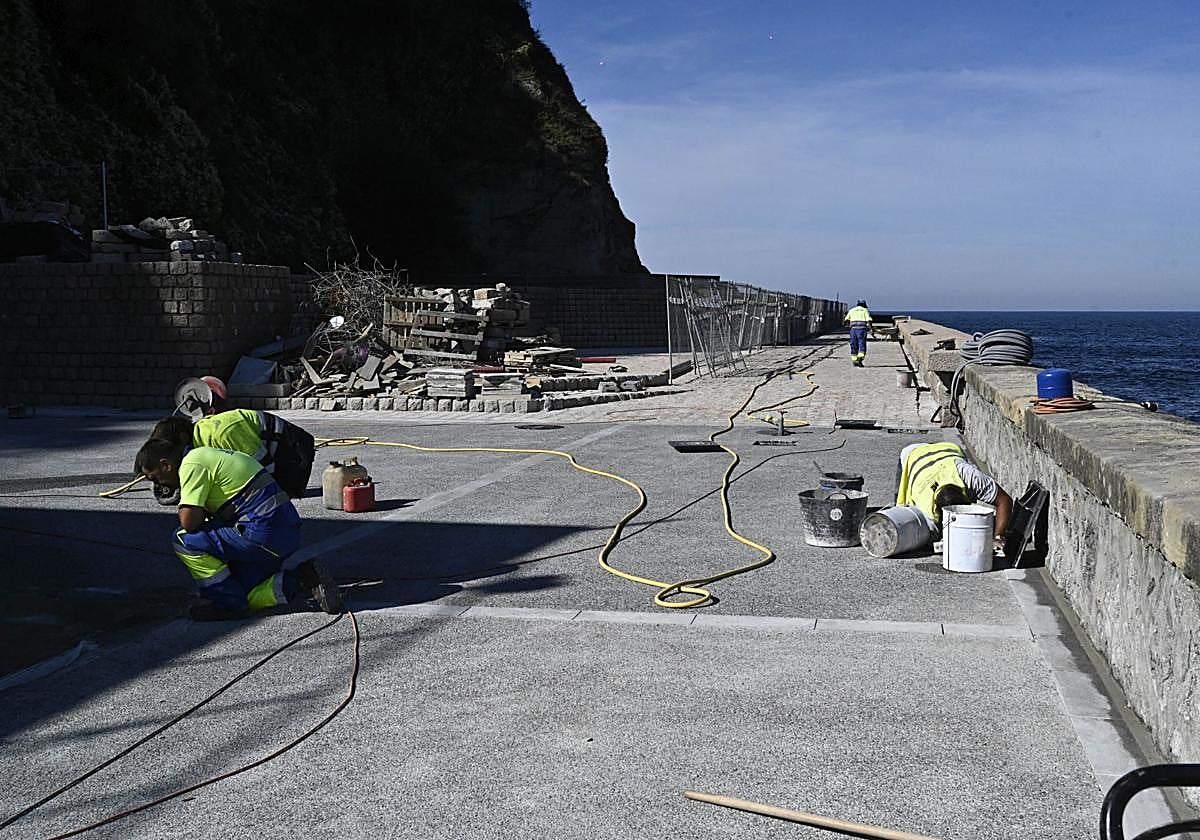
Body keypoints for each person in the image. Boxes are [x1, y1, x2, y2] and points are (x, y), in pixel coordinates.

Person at [134, 438, 341, 621]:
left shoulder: (192, 464)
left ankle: (228, 605)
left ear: (166, 465)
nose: (159, 485)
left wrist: (186, 499)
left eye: (155, 478)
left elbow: (189, 522)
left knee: (182, 539)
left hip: (260, 535)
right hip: (283, 535)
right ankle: (302, 579)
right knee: (245, 592)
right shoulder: (210, 455)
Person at [151, 407, 316, 499]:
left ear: (182, 437)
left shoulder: (222, 433)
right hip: (278, 451)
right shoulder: (202, 439)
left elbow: (263, 468)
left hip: (293, 451)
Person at [895, 441, 1012, 551]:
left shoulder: (971, 478)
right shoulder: (925, 507)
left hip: (948, 449)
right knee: (900, 516)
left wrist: (997, 536)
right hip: (913, 454)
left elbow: (1004, 500)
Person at [843, 299, 872, 367]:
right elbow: (868, 321)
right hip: (862, 329)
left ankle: (854, 360)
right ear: (864, 305)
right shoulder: (865, 310)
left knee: (853, 344)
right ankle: (860, 359)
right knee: (861, 344)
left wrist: (845, 325)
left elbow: (845, 320)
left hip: (853, 330)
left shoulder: (852, 310)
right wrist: (871, 329)